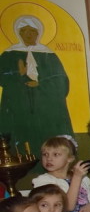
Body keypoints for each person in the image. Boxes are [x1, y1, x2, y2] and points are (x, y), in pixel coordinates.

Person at [0, 16, 74, 158]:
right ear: (18, 34)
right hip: (18, 109)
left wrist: (41, 84)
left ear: (38, 33)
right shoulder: (9, 54)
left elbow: (62, 81)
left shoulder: (49, 55)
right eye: (24, 31)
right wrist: (18, 74)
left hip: (45, 111)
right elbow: (2, 77)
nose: (28, 34)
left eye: (32, 31)